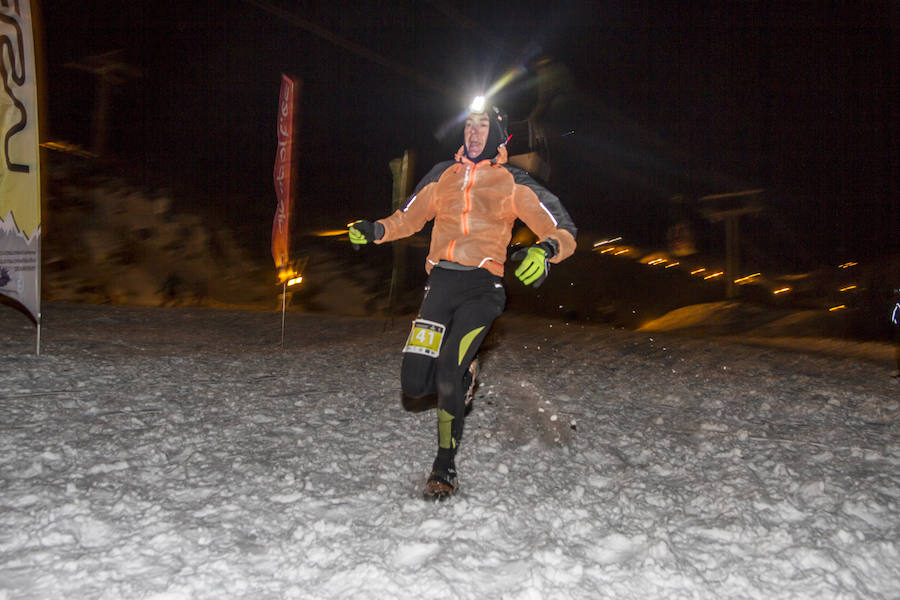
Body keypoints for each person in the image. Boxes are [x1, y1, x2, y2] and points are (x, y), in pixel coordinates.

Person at [349, 99, 577, 500]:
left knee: (449, 370)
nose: (473, 133)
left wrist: (545, 250)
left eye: (482, 126)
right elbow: (408, 217)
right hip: (440, 286)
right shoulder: (443, 176)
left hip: (481, 289)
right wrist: (375, 230)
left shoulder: (513, 181)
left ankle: (444, 467)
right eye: (469, 125)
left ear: (497, 134)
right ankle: (466, 376)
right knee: (415, 383)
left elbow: (562, 228)